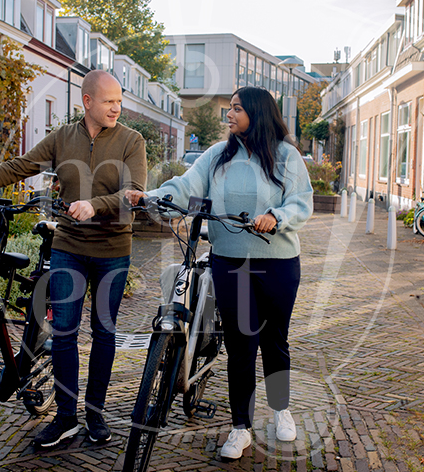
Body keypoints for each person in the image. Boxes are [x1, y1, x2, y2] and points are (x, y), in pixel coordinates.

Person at [0, 70, 146, 448]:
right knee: (65, 332)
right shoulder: (64, 137)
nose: (116, 107)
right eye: (108, 100)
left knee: (103, 332)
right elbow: (18, 166)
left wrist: (94, 204)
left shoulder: (132, 141)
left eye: (119, 100)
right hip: (69, 246)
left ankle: (95, 414)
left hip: (112, 252)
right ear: (87, 102)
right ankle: (66, 418)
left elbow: (133, 194)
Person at [126, 86, 313, 460]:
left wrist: (276, 217)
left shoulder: (286, 156)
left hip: (277, 263)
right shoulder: (217, 155)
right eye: (229, 108)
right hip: (231, 261)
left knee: (274, 342)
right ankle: (240, 426)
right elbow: (186, 186)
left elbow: (301, 201)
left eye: (237, 109)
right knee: (241, 345)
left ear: (257, 114)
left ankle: (280, 409)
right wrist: (154, 197)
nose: (229, 115)